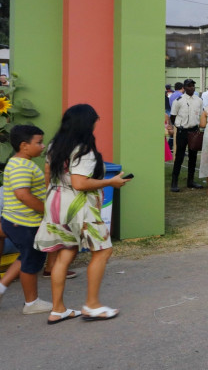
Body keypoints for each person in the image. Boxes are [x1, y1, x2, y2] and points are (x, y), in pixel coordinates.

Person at [34, 104, 132, 321]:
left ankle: (58, 309)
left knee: (65, 253)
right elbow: (80, 183)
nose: (97, 123)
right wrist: (111, 182)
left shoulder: (54, 145)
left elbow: (48, 173)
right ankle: (92, 304)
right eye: (96, 120)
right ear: (87, 123)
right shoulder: (84, 149)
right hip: (79, 207)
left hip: (56, 203)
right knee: (103, 250)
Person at [0, 125, 53, 315]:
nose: (43, 146)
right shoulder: (21, 165)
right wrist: (47, 211)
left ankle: (2, 287)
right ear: (24, 145)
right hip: (24, 223)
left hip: (19, 221)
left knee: (26, 257)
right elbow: (23, 194)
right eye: (38, 142)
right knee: (31, 260)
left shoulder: (23, 163)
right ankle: (32, 303)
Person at [169, 78, 203, 192]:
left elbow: (200, 115)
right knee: (179, 156)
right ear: (184, 87)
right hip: (182, 131)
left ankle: (191, 181)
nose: (191, 88)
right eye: (189, 86)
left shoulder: (198, 100)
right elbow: (173, 116)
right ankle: (174, 182)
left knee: (193, 157)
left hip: (193, 130)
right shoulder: (179, 100)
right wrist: (179, 126)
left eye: (193, 85)